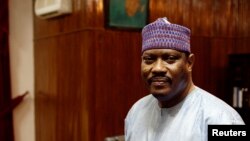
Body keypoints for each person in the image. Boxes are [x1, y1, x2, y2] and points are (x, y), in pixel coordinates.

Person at [124, 17, 245, 141]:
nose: (158, 68)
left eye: (170, 58)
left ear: (189, 63)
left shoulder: (223, 120)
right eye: (149, 59)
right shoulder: (136, 112)